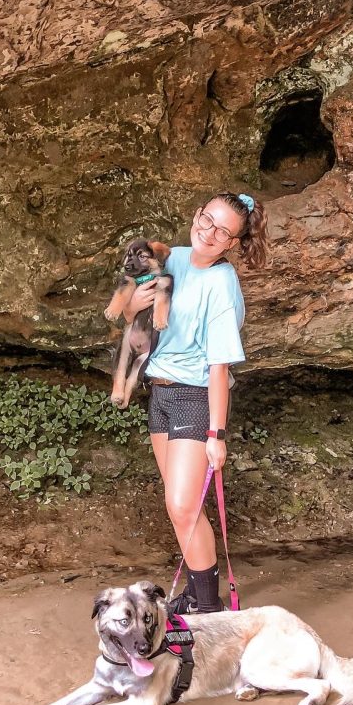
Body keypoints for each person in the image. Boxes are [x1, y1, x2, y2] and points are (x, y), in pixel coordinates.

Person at [122, 192, 269, 612]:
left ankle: (207, 605)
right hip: (160, 392)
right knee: (179, 505)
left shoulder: (222, 284)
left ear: (232, 243)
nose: (209, 233)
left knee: (183, 503)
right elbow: (133, 312)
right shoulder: (173, 258)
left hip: (194, 397)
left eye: (223, 231)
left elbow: (218, 367)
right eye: (207, 220)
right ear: (196, 214)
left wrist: (216, 434)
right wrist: (134, 302)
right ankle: (198, 594)